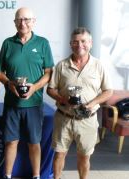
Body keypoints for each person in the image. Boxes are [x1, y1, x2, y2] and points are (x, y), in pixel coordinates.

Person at [47, 27, 113, 179]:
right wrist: (63, 100)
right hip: (64, 118)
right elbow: (50, 89)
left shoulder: (99, 66)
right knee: (59, 155)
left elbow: (108, 91)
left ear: (90, 43)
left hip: (87, 120)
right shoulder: (61, 66)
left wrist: (92, 103)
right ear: (71, 44)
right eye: (75, 42)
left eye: (83, 41)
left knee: (84, 157)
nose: (79, 45)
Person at [0, 7, 54, 179]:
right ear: (15, 22)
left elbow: (48, 72)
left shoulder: (43, 43)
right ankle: (7, 175)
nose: (23, 23)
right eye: (19, 20)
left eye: (27, 19)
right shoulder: (7, 43)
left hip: (34, 103)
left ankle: (36, 176)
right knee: (10, 142)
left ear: (33, 21)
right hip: (12, 103)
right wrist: (9, 83)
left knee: (34, 143)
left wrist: (34, 88)